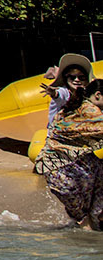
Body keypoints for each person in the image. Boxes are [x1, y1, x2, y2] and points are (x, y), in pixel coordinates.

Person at [37, 53, 103, 230]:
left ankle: (87, 220)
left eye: (81, 77)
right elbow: (61, 94)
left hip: (79, 151)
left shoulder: (84, 99)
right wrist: (53, 90)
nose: (77, 80)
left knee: (92, 184)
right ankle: (83, 220)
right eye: (72, 77)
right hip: (60, 149)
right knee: (73, 188)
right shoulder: (68, 96)